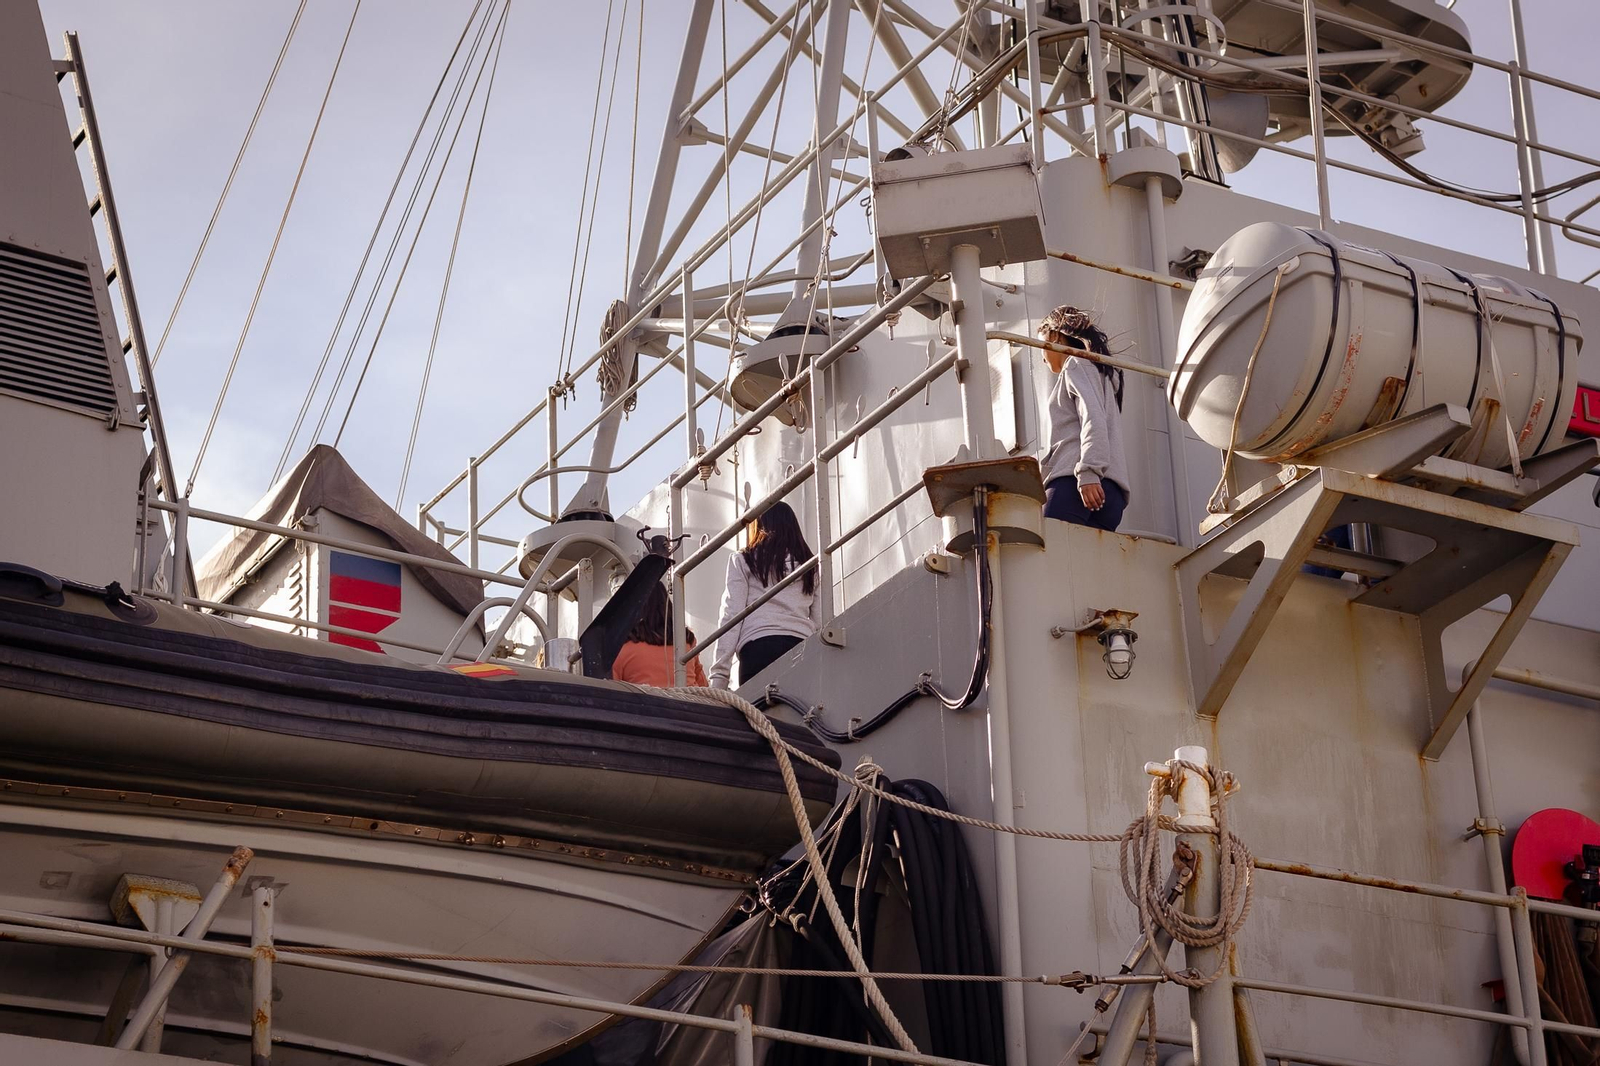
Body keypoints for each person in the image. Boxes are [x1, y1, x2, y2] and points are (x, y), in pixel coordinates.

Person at [1037, 306, 1131, 532]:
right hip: (1112, 492)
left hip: (1076, 484)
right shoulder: (1104, 373)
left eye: (1042, 345)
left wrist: (1089, 472)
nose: (1042, 356)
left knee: (1049, 554)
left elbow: (1093, 417)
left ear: (1056, 337)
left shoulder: (1076, 364)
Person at [709, 501, 820, 689]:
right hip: (802, 645)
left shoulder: (743, 560)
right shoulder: (812, 567)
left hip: (758, 647)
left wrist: (719, 675)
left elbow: (731, 615)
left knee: (758, 716)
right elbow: (820, 621)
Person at [611, 580, 709, 687]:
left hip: (643, 703)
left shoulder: (620, 647)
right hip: (689, 701)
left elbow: (608, 692)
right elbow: (703, 686)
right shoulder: (686, 642)